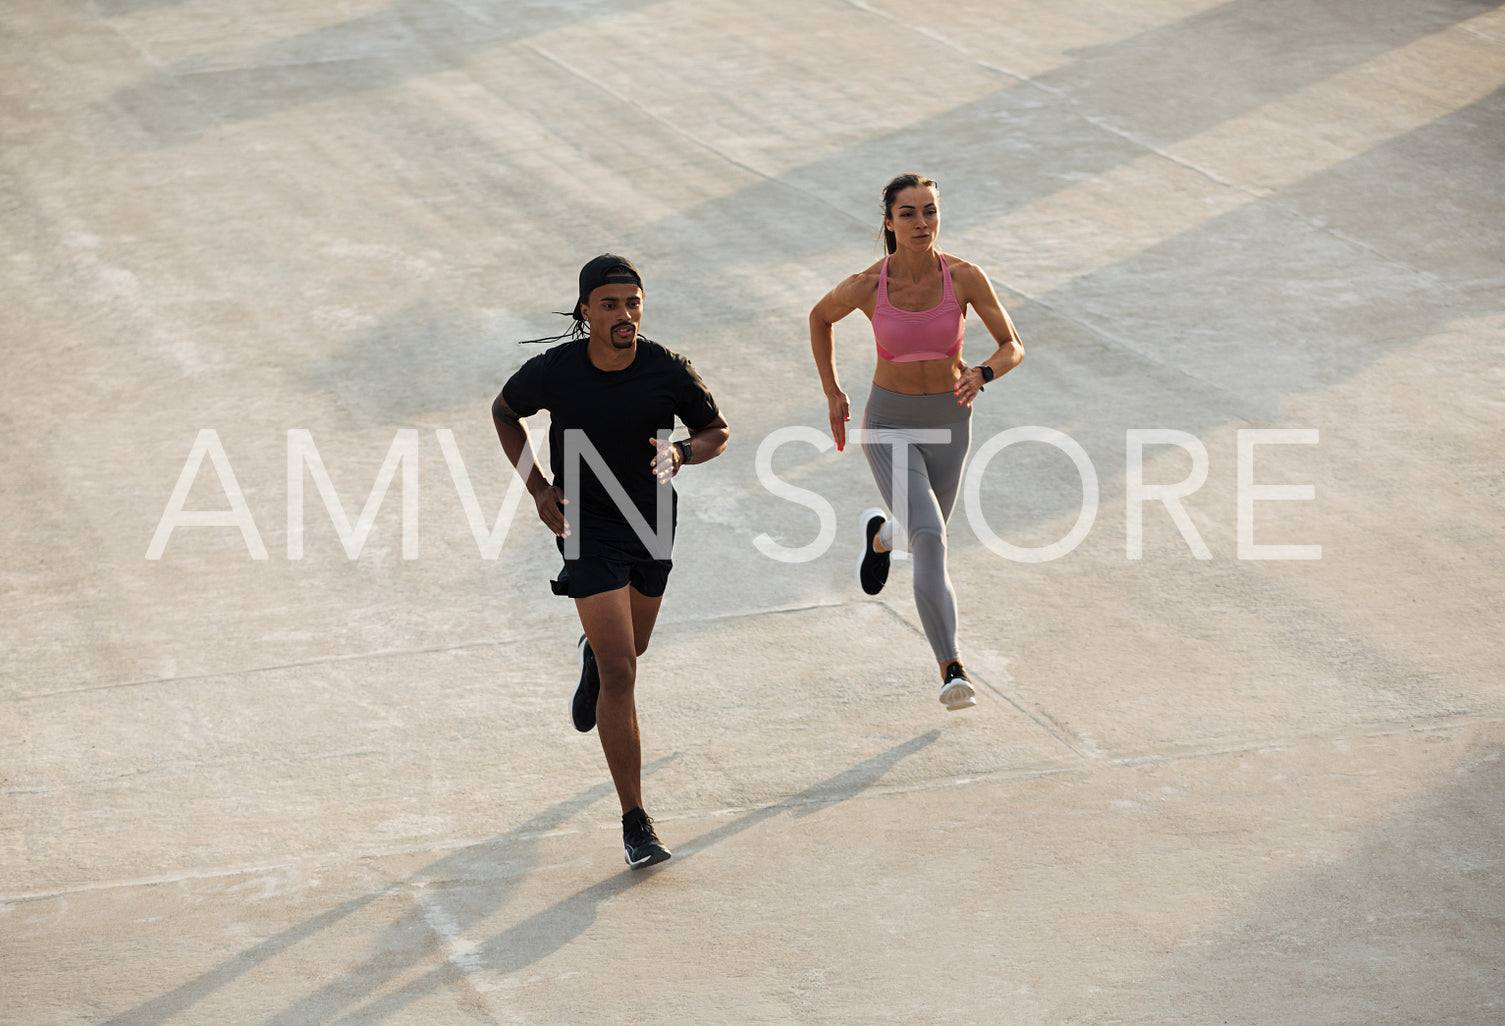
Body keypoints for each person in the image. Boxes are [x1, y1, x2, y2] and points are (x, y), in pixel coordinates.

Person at [492, 254, 729, 868]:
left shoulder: (666, 369)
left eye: (633, 303)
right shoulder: (556, 371)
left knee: (632, 648)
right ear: (584, 312)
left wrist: (682, 453)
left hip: (650, 519)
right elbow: (504, 411)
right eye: (610, 305)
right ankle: (635, 820)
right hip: (585, 522)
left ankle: (592, 659)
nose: (625, 315)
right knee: (624, 671)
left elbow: (716, 430)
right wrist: (538, 488)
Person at [808, 173, 1024, 711]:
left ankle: (880, 537)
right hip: (889, 423)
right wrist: (834, 392)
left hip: (950, 423)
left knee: (921, 533)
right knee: (931, 536)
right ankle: (951, 668)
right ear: (889, 222)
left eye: (929, 211)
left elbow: (1011, 345)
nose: (921, 222)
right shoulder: (867, 285)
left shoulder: (965, 277)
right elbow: (819, 317)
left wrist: (984, 372)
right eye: (908, 213)